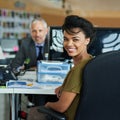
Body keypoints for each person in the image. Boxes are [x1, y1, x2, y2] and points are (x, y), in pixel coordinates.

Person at [27, 15, 95, 120]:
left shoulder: (77, 70)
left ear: (87, 40)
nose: (69, 44)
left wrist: (48, 104)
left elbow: (61, 107)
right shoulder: (91, 61)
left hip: (69, 116)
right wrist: (65, 88)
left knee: (34, 111)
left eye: (75, 39)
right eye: (65, 39)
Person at [10, 17, 58, 107]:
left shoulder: (53, 43)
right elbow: (15, 64)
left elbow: (58, 64)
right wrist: (18, 69)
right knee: (39, 97)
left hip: (52, 81)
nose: (37, 34)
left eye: (40, 30)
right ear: (30, 32)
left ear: (46, 31)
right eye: (34, 31)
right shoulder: (25, 43)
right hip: (33, 83)